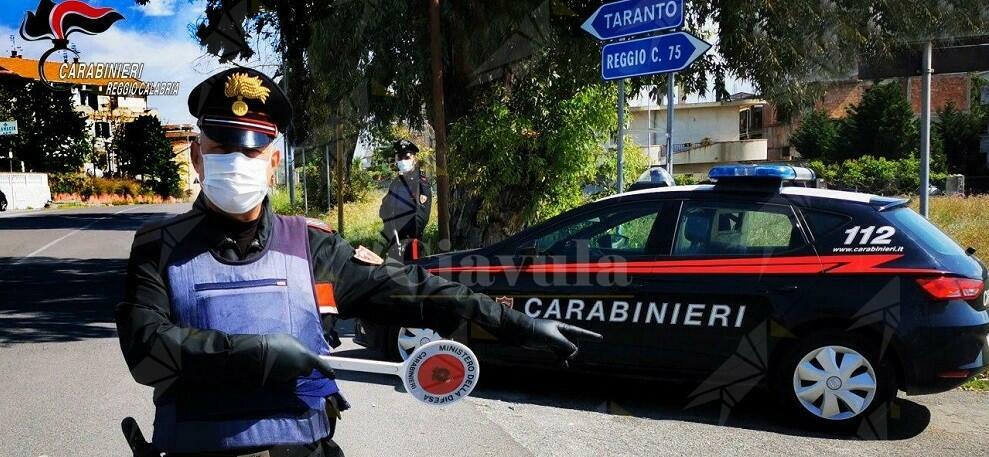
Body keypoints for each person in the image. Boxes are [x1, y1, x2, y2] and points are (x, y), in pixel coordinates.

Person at [115, 67, 601, 457]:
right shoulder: (161, 245)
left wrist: (517, 324)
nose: (237, 162)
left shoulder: (310, 245)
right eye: (222, 149)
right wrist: (257, 352)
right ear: (198, 158)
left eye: (253, 149)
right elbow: (146, 349)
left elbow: (411, 289)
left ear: (273, 162)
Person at [379, 140, 431, 260]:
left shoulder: (421, 182)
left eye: (407, 157)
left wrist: (408, 237)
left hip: (412, 242)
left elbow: (421, 217)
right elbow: (385, 207)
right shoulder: (395, 183)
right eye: (400, 157)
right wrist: (390, 231)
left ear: (414, 159)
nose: (403, 160)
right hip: (394, 238)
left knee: (413, 273)